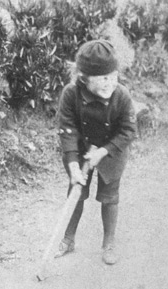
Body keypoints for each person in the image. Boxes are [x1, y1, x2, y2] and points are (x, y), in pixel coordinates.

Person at [56, 39, 137, 265]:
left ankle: (108, 244)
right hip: (81, 150)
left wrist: (103, 151)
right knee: (76, 193)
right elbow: (68, 129)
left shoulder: (121, 95)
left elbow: (129, 130)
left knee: (109, 198)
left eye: (113, 76)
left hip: (112, 152)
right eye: (102, 78)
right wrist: (73, 163)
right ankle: (68, 239)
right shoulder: (71, 94)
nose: (109, 83)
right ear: (84, 77)